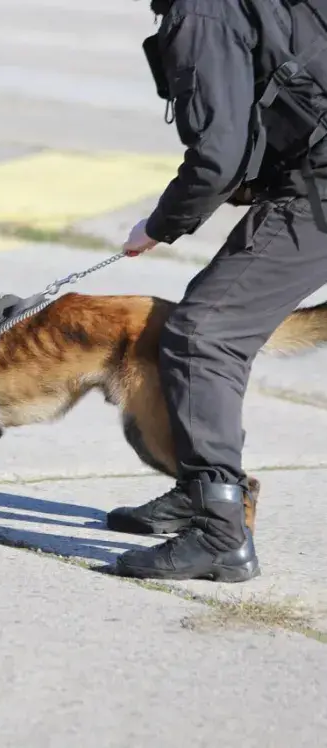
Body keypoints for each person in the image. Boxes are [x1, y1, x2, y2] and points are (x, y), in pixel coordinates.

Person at [108, 0, 327, 582]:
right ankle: (195, 492)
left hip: (319, 185)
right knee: (210, 323)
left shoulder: (202, 11)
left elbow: (218, 155)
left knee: (204, 335)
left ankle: (219, 533)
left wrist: (159, 225)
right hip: (310, 176)